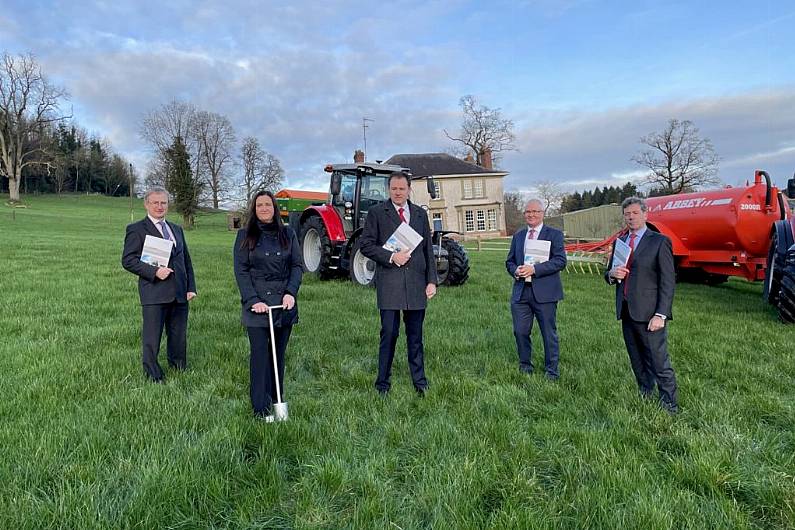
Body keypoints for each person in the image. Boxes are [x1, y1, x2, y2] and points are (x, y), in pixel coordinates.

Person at [359, 172, 438, 396]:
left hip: (415, 283)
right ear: (388, 189)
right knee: (389, 333)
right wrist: (391, 257)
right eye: (394, 188)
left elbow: (428, 251)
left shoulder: (421, 214)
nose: (398, 192)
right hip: (390, 283)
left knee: (415, 336)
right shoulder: (376, 213)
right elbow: (366, 245)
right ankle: (382, 383)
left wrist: (432, 280)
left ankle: (420, 382)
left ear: (409, 189)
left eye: (402, 188)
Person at [233, 190, 303, 421]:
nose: (264, 208)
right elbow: (241, 271)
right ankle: (260, 409)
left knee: (278, 356)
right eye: (260, 205)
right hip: (257, 305)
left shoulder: (288, 234)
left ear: (275, 208)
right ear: (254, 209)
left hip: (283, 303)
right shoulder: (245, 235)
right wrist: (253, 300)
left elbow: (296, 266)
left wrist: (290, 293)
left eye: (268, 204)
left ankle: (277, 399)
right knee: (261, 355)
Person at [605, 196, 678, 414]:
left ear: (645, 214)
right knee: (636, 359)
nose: (631, 217)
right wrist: (611, 273)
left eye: (635, 213)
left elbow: (668, 281)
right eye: (627, 214)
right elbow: (608, 275)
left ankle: (669, 404)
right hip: (627, 311)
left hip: (650, 314)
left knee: (658, 361)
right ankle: (645, 394)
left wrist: (661, 314)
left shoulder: (659, 241)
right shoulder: (621, 242)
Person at [122, 187, 197, 382]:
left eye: (163, 202)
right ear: (146, 204)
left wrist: (191, 287)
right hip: (154, 291)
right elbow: (128, 260)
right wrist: (154, 272)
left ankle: (179, 366)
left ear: (168, 205)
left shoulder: (176, 229)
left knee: (178, 334)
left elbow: (186, 260)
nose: (159, 206)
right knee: (152, 336)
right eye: (155, 202)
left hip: (179, 292)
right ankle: (153, 373)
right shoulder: (136, 229)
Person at [505, 199, 567, 379]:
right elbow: (509, 261)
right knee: (520, 331)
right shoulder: (519, 236)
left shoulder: (553, 234)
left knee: (548, 333)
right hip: (521, 291)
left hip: (545, 292)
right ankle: (525, 366)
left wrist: (535, 269)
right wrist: (515, 270)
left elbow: (560, 261)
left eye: (535, 211)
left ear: (542, 214)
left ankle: (551, 371)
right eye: (528, 212)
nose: (531, 215)